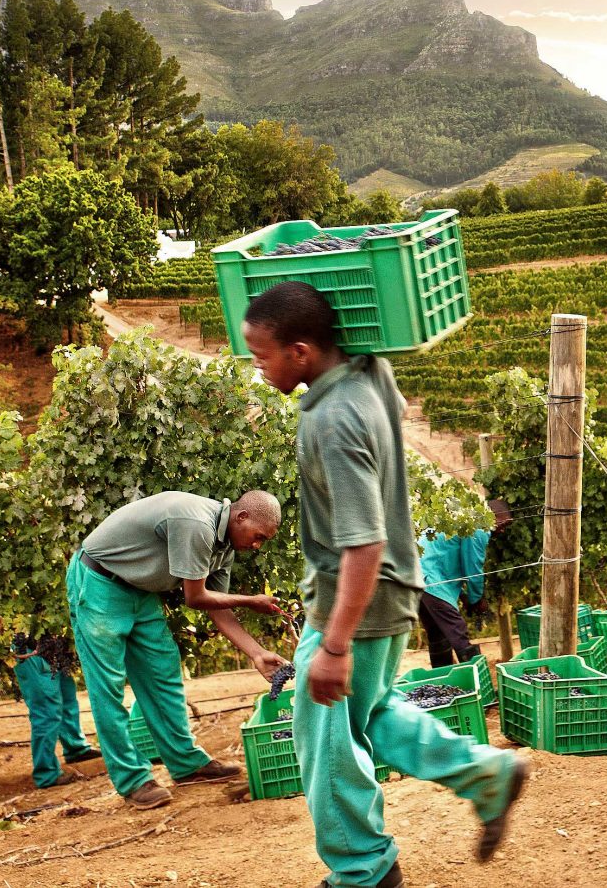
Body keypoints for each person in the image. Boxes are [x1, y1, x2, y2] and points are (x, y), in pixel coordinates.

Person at [243, 281, 526, 888]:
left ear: (300, 351)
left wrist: (334, 645)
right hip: (394, 585)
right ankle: (486, 774)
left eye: (261, 354)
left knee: (325, 739)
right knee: (370, 713)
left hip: (358, 598)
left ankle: (363, 871)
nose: (255, 366)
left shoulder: (333, 421)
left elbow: (363, 541)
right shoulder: (371, 372)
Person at [66, 489, 290, 810]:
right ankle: (133, 780)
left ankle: (186, 763)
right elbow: (195, 598)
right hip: (100, 581)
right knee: (108, 687)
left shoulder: (224, 546)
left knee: (163, 672)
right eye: (258, 536)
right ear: (241, 517)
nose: (257, 546)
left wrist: (256, 653)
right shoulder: (196, 523)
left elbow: (217, 607)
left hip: (140, 591)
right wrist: (252, 600)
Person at [415, 499, 510, 668]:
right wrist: (476, 599)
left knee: (437, 634)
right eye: (505, 524)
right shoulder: (479, 526)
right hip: (431, 581)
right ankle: (478, 683)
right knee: (458, 631)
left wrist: (464, 596)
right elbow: (473, 569)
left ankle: (443, 685)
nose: (503, 530)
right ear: (496, 516)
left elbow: (440, 558)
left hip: (417, 578)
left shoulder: (463, 515)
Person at [12, 634, 101, 789]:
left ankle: (76, 749)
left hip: (53, 642)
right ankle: (46, 773)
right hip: (29, 646)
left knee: (67, 698)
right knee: (46, 710)